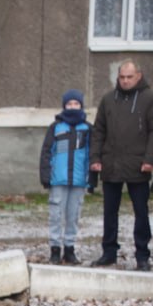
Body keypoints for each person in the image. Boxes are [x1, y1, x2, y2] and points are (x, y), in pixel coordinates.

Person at [89, 60, 153, 270]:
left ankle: (142, 255)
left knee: (141, 211)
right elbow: (99, 131)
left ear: (138, 76)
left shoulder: (151, 98)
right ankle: (109, 252)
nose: (125, 81)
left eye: (129, 77)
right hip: (111, 163)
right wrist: (95, 158)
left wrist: (150, 159)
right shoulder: (108, 99)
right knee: (109, 211)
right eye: (122, 77)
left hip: (138, 164)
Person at [40, 89, 92, 266]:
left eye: (76, 104)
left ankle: (69, 249)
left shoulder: (87, 128)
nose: (72, 107)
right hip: (58, 178)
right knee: (56, 213)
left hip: (78, 179)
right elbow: (46, 152)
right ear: (64, 106)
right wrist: (46, 175)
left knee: (73, 214)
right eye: (69, 104)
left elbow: (92, 155)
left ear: (81, 105)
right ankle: (55, 249)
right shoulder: (56, 127)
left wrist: (92, 178)